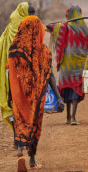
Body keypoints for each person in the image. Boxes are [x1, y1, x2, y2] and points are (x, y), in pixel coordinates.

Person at [6, 16, 64, 171]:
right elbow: (50, 75)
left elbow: (10, 74)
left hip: (18, 95)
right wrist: (59, 98)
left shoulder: (14, 50)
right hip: (37, 98)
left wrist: (9, 95)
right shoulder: (43, 51)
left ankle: (19, 152)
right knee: (34, 124)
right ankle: (31, 160)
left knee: (19, 122)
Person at [46, 5, 88, 125]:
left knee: (68, 89)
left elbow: (49, 25)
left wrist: (61, 23)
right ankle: (73, 118)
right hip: (79, 65)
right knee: (76, 91)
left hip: (67, 66)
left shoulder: (64, 27)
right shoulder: (84, 28)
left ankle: (68, 117)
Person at [0, 2, 34, 129]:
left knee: (14, 101)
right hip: (20, 69)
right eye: (30, 13)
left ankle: (18, 135)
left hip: (10, 70)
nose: (32, 15)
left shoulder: (10, 28)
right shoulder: (25, 27)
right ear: (24, 13)